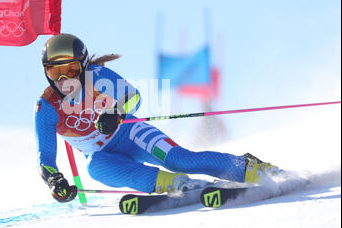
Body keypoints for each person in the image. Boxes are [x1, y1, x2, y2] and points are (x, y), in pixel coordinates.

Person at [35, 33, 279, 203]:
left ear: (84, 65)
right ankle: (178, 185)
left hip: (129, 134)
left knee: (180, 159)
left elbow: (133, 96)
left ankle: (250, 168)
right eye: (55, 72)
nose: (63, 80)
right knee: (96, 168)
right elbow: (45, 159)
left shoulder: (97, 76)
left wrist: (116, 113)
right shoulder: (46, 106)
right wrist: (55, 182)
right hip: (102, 155)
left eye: (70, 70)